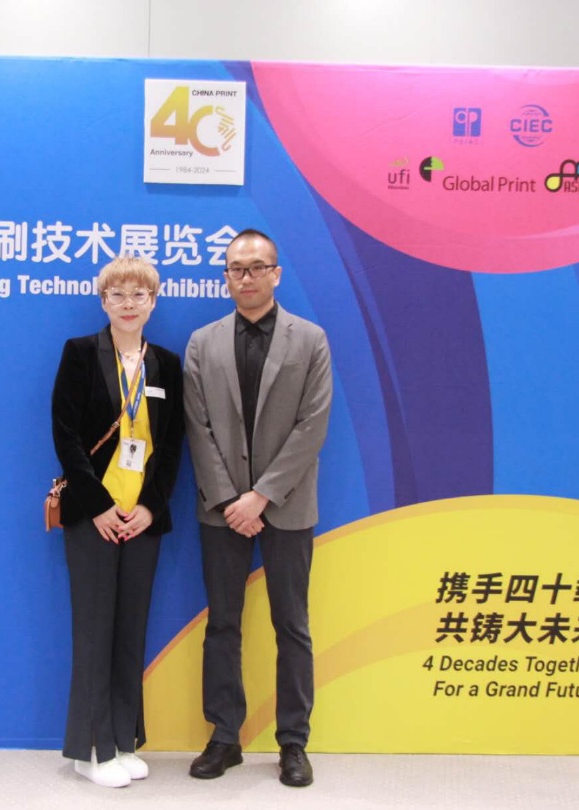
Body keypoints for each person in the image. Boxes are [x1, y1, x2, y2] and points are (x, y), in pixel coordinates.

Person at [182, 229, 333, 788]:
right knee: (223, 623)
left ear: (276, 273)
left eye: (256, 267)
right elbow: (198, 428)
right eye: (235, 269)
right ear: (226, 276)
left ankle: (293, 741)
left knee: (292, 625)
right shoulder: (202, 343)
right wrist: (231, 500)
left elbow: (312, 426)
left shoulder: (310, 339)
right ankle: (225, 737)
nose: (245, 277)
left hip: (286, 506)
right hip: (221, 510)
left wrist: (262, 496)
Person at [51, 256, 185, 788]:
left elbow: (172, 446)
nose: (128, 305)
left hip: (142, 519)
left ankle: (123, 741)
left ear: (153, 302)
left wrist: (150, 506)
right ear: (103, 301)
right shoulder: (81, 353)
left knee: (131, 630)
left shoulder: (166, 364)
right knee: (94, 632)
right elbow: (65, 436)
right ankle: (91, 748)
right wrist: (98, 506)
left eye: (139, 295)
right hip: (94, 516)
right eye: (118, 295)